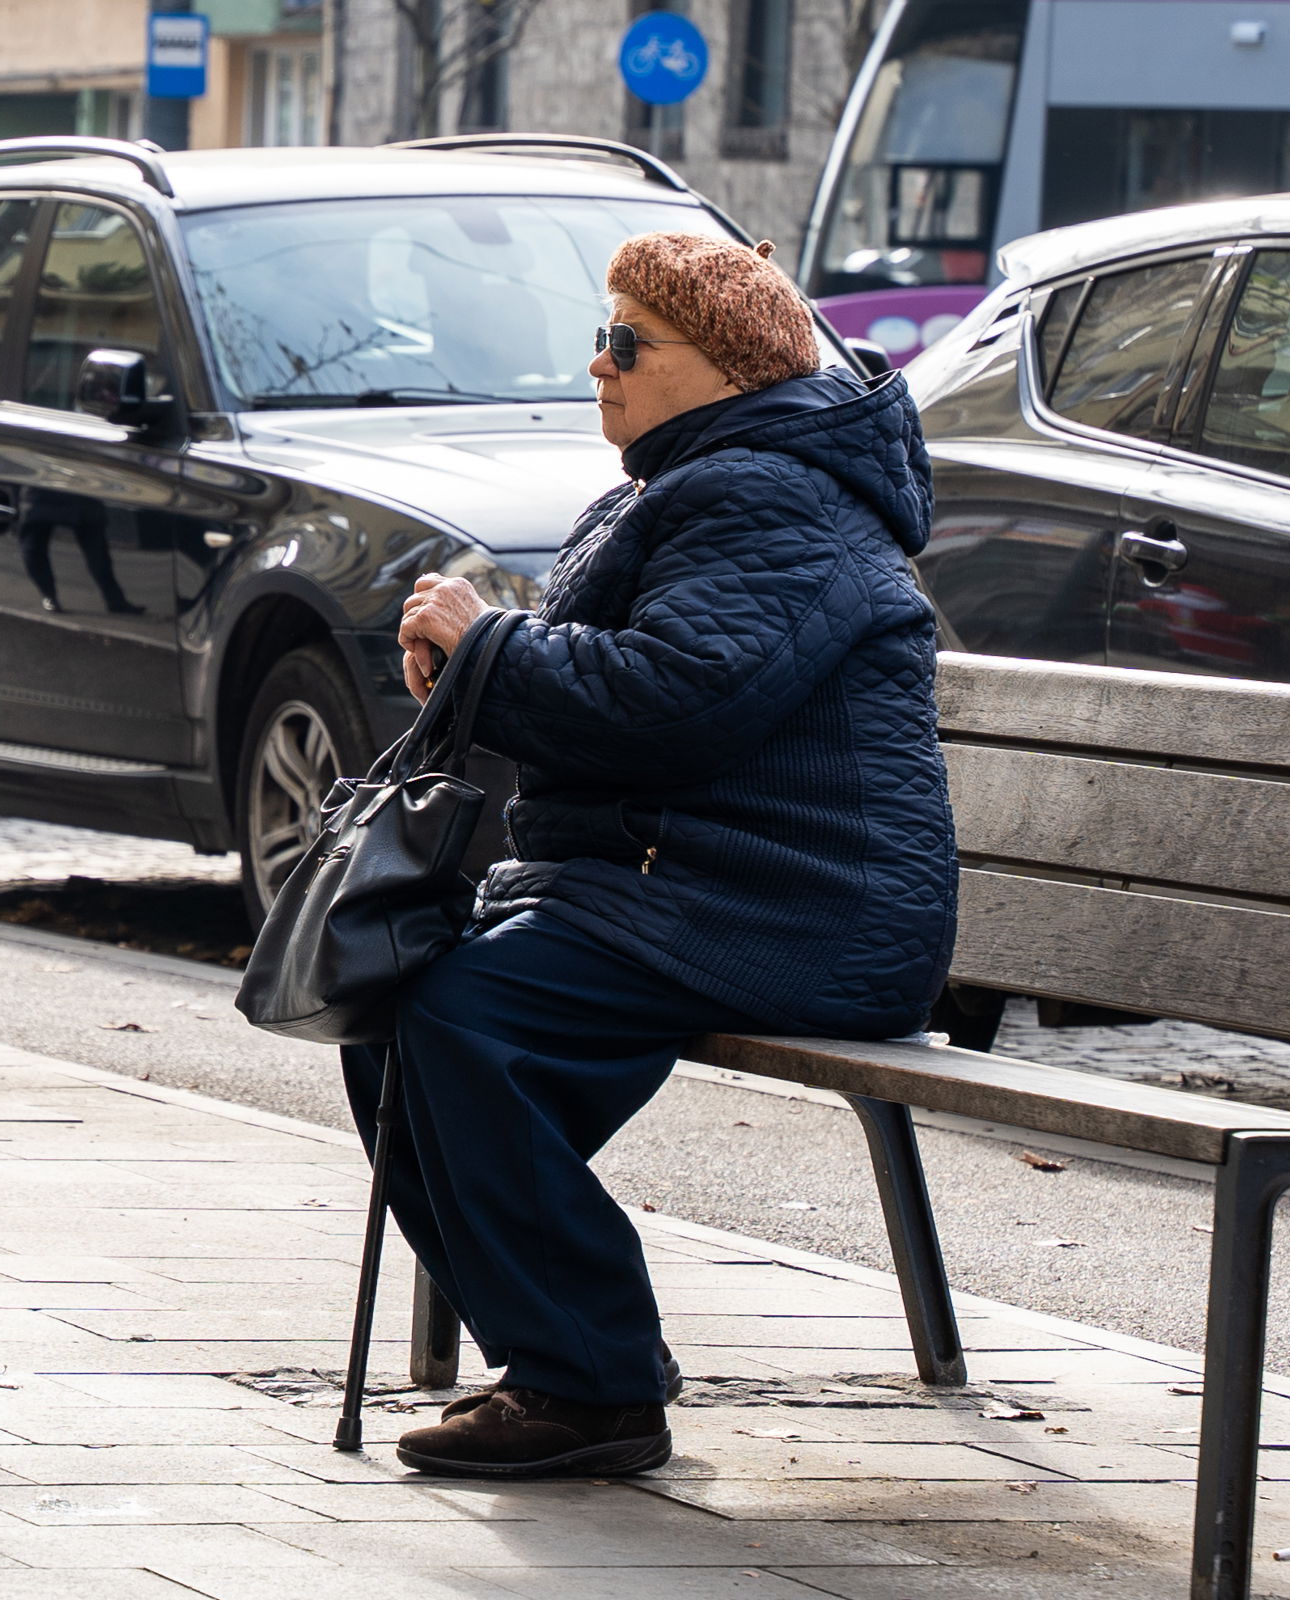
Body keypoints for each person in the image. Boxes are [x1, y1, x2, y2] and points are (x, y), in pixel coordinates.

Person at [338, 231, 959, 1479]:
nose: (599, 363)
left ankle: (593, 1379)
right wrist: (475, 664)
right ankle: (572, 1351)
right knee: (395, 1015)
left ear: (726, 366)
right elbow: (620, 683)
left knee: (461, 1020)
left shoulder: (774, 493)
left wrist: (490, 650)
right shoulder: (684, 483)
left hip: (795, 905)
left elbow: (678, 696)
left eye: (630, 342)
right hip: (681, 882)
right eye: (604, 334)